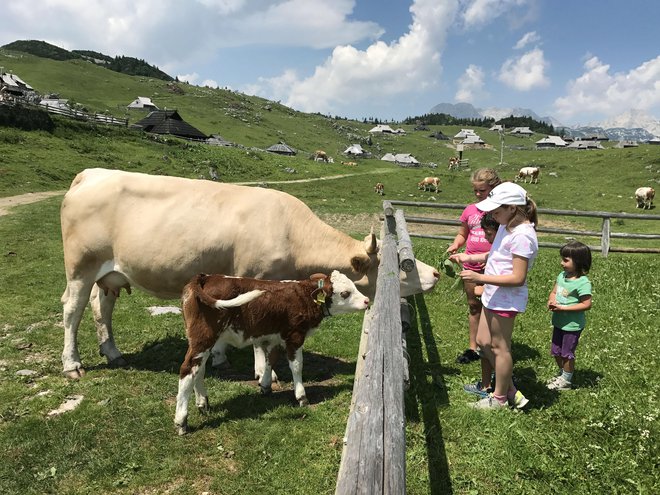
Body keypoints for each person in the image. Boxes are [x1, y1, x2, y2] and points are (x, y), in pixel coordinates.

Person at [450, 182, 539, 409]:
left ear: (512, 208)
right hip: (493, 294)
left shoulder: (523, 235)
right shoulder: (505, 226)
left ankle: (499, 398)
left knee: (500, 348)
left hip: (505, 299)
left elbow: (518, 277)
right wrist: (470, 259)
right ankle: (508, 388)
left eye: (496, 209)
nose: (491, 213)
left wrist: (480, 279)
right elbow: (497, 253)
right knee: (482, 342)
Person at [446, 168, 502, 364]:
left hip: (493, 266)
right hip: (471, 264)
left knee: (492, 306)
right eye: (476, 191)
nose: (478, 195)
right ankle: (473, 347)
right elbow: (463, 233)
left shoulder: (500, 212)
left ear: (493, 189)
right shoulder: (470, 210)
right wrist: (455, 244)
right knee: (473, 305)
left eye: (482, 191)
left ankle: (493, 344)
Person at [546, 241, 593, 390]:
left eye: (566, 260)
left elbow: (586, 304)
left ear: (578, 262)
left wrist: (564, 307)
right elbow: (554, 292)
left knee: (567, 353)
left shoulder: (582, 283)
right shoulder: (562, 276)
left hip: (572, 325)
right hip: (559, 322)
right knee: (556, 351)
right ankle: (562, 375)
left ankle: (566, 381)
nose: (562, 263)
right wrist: (551, 300)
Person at [463, 212, 499, 398]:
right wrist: (467, 259)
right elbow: (488, 256)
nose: (485, 237)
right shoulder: (498, 248)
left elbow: (505, 279)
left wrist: (480, 282)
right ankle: (486, 385)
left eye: (489, 234)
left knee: (493, 346)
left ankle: (505, 386)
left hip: (498, 305)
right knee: (485, 345)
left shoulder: (505, 251)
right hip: (490, 303)